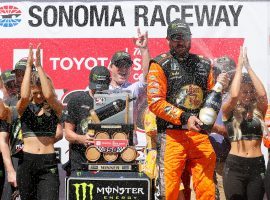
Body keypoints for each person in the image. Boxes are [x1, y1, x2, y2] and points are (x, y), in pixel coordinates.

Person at [147, 19, 228, 200]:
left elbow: (211, 100)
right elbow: (154, 102)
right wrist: (184, 118)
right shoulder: (160, 64)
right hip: (172, 135)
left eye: (184, 37)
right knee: (169, 191)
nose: (180, 41)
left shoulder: (204, 64)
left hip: (199, 134)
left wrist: (221, 86)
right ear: (168, 39)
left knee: (207, 189)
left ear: (190, 39)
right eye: (175, 37)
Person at [16, 44, 63, 200]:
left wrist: (39, 66)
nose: (38, 96)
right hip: (27, 162)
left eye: (40, 92)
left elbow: (49, 96)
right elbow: (23, 96)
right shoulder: (24, 108)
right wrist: (29, 67)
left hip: (48, 163)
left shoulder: (56, 107)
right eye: (35, 93)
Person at [222, 47, 268, 200]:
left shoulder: (259, 110)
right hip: (235, 166)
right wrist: (240, 67)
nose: (248, 95)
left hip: (257, 166)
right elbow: (234, 95)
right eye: (244, 92)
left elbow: (263, 95)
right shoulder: (228, 110)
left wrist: (249, 67)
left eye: (250, 92)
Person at [65, 66, 111, 176]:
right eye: (95, 88)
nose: (98, 92)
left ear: (109, 84)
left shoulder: (114, 101)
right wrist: (82, 138)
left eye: (102, 89)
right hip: (80, 162)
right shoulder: (77, 100)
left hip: (107, 162)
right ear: (90, 82)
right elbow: (67, 133)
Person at [109, 28, 150, 124]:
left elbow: (148, 76)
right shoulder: (100, 87)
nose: (123, 69)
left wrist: (144, 50)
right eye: (119, 65)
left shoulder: (133, 89)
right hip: (104, 137)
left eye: (127, 66)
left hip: (129, 137)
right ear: (111, 67)